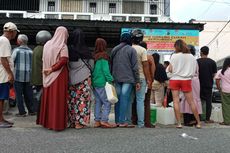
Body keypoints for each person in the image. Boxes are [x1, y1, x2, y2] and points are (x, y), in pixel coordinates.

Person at [37, 26, 69, 131]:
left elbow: (43, 59)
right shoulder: (62, 46)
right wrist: (52, 69)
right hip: (58, 75)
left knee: (49, 99)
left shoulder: (47, 44)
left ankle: (47, 123)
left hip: (46, 74)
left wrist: (48, 69)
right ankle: (57, 124)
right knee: (57, 99)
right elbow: (63, 60)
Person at [168, 39, 201, 128]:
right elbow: (194, 70)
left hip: (174, 79)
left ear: (176, 47)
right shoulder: (191, 57)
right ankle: (198, 123)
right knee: (191, 102)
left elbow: (170, 69)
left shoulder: (174, 56)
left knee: (176, 101)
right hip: (186, 80)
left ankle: (179, 123)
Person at [111, 32, 140, 127]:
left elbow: (111, 64)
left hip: (116, 77)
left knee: (117, 99)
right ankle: (122, 121)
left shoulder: (114, 49)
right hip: (128, 78)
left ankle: (117, 121)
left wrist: (111, 77)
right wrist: (137, 81)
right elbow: (135, 67)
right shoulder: (131, 50)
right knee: (124, 98)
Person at [67, 29, 93, 129]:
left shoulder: (69, 50)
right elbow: (91, 65)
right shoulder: (86, 50)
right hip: (84, 79)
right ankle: (80, 122)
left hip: (71, 79)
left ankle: (72, 121)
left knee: (72, 100)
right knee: (82, 101)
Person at [92, 38, 116, 128]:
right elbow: (105, 70)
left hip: (95, 83)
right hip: (103, 83)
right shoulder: (104, 56)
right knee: (107, 102)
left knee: (98, 102)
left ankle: (97, 121)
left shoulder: (94, 56)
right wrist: (111, 79)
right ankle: (104, 120)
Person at [131, 29, 151, 128]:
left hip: (130, 78)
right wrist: (148, 79)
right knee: (140, 100)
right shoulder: (142, 50)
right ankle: (140, 123)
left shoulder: (129, 48)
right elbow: (145, 66)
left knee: (129, 100)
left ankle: (128, 121)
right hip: (141, 77)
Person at [0, 22, 19, 128]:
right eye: (15, 32)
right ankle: (0, 120)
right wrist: (10, 74)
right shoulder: (5, 41)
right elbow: (3, 59)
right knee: (1, 98)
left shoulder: (1, 40)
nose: (16, 34)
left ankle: (1, 118)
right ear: (11, 32)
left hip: (2, 73)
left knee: (2, 98)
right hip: (2, 75)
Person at [12, 34, 35, 117]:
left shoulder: (16, 51)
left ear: (19, 41)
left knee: (19, 95)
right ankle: (31, 111)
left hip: (18, 76)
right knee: (29, 94)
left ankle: (22, 112)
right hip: (29, 77)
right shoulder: (31, 52)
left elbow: (11, 62)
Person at [180, 45, 202, 126]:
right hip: (195, 81)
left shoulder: (183, 60)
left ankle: (187, 120)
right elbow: (197, 72)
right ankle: (196, 119)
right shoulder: (194, 60)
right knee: (195, 99)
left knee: (186, 99)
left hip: (186, 79)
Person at [31, 30, 52, 118]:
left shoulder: (35, 49)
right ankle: (40, 111)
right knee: (41, 96)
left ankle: (36, 110)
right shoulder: (44, 50)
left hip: (35, 76)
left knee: (36, 95)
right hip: (42, 77)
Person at [197, 46, 217, 123]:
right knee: (208, 102)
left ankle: (198, 117)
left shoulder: (197, 61)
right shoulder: (212, 62)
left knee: (198, 101)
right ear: (208, 52)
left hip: (198, 84)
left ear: (201, 52)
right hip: (208, 84)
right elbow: (214, 74)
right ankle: (207, 119)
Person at [139, 41, 155, 128]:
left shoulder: (136, 55)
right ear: (146, 48)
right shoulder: (149, 57)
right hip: (147, 80)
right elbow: (153, 70)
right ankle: (147, 122)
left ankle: (134, 119)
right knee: (146, 101)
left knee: (136, 101)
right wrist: (151, 80)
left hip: (137, 80)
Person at [215, 58, 230, 125]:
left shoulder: (221, 71)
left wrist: (219, 88)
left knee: (225, 106)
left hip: (225, 90)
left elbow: (217, 81)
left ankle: (227, 121)